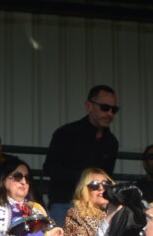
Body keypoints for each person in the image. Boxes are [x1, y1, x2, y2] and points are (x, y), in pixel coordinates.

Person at [43, 85, 120, 222]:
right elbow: (50, 167)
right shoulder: (66, 133)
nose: (110, 113)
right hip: (65, 203)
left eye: (114, 110)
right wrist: (84, 179)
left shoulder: (112, 142)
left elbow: (107, 176)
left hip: (96, 207)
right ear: (89, 106)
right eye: (105, 108)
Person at [61, 169, 112, 236]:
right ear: (85, 190)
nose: (101, 188)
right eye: (94, 185)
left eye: (106, 184)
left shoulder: (121, 213)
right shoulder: (76, 213)